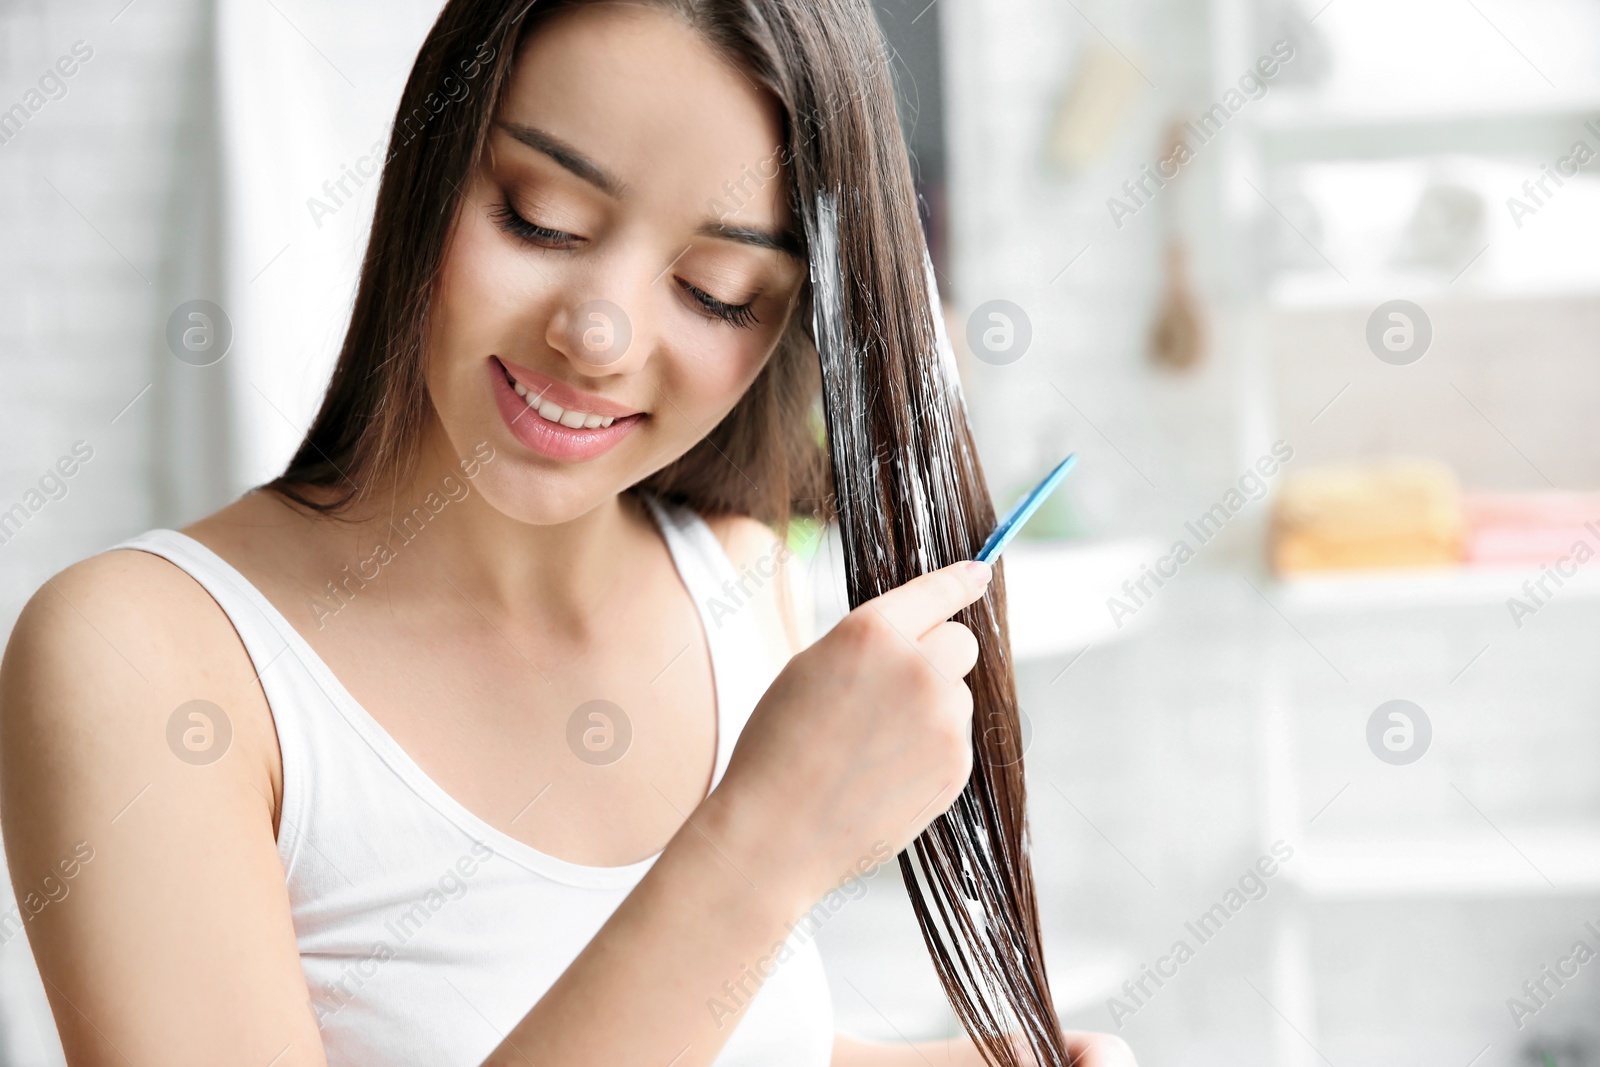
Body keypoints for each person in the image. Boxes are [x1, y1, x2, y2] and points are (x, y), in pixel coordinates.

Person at [0, 1, 1136, 1064]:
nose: (597, 334)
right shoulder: (145, 659)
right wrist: (760, 845)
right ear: (429, 167)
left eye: (717, 289)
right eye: (541, 219)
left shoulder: (734, 583)